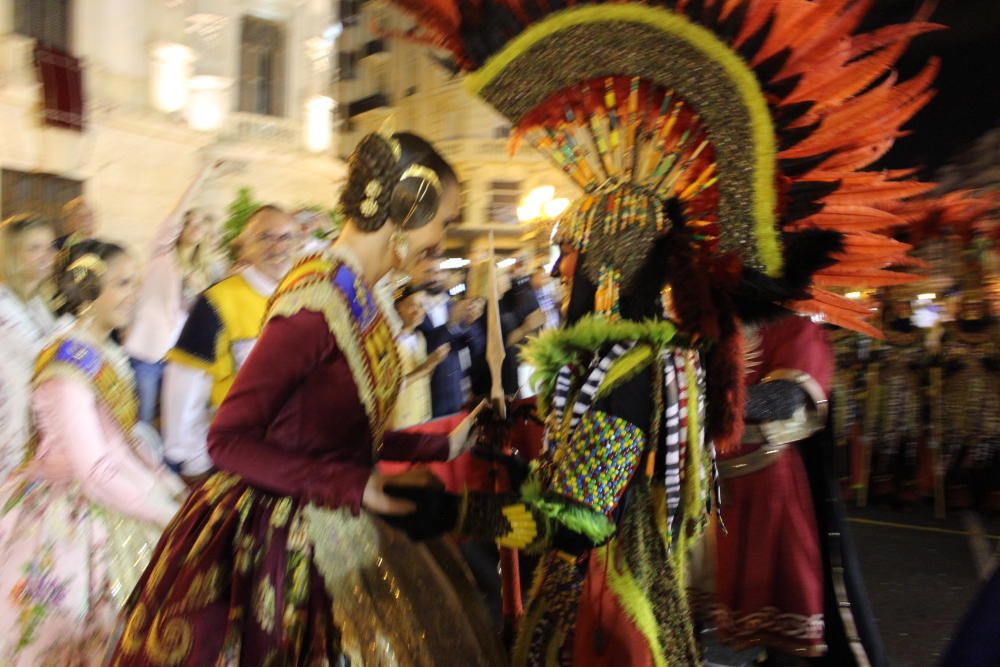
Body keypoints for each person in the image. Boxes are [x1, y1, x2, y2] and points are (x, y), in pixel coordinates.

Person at [384, 0, 943, 663]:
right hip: (603, 600)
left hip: (609, 610)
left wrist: (455, 515)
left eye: (582, 253)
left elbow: (576, 521)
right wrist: (506, 444)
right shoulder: (619, 359)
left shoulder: (629, 368)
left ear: (613, 272)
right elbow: (577, 464)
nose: (567, 267)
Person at [108, 130, 503, 666]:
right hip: (278, 549)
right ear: (408, 208)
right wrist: (360, 487)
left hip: (334, 524)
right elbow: (228, 441)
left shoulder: (360, 294)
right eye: (445, 221)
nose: (443, 240)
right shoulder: (317, 300)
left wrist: (439, 443)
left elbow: (327, 432)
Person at [0, 239, 184, 665]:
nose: (134, 293)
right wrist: (167, 516)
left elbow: (123, 444)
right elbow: (95, 469)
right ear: (86, 289)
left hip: (119, 491)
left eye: (134, 282)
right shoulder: (69, 364)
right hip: (70, 515)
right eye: (122, 283)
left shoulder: (103, 350)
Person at [691, 315, 888, 666]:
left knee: (783, 615)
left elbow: (787, 398)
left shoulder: (798, 329)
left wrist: (699, 400)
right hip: (704, 487)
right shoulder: (704, 326)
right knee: (683, 608)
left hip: (770, 489)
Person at [161, 204, 295, 481]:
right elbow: (185, 383)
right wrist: (193, 462)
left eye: (286, 238)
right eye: (265, 237)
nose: (278, 247)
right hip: (238, 458)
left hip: (296, 455)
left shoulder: (309, 297)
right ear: (245, 246)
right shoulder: (216, 302)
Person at [124, 162, 225, 425]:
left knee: (174, 419)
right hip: (149, 351)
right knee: (143, 418)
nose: (193, 226)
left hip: (180, 355)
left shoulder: (204, 271)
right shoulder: (163, 255)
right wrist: (201, 177)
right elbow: (173, 217)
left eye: (199, 223)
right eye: (188, 222)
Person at [0, 214, 59, 479]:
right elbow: (45, 355)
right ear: (11, 255)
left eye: (50, 246)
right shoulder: (3, 303)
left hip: (32, 418)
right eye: (34, 248)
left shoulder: (37, 300)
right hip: (10, 422)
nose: (48, 255)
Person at [391, 284, 449, 428]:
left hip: (422, 414)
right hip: (401, 419)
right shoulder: (390, 342)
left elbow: (424, 376)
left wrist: (434, 362)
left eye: (422, 305)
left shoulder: (420, 338)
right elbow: (394, 387)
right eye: (411, 305)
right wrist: (428, 365)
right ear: (398, 307)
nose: (418, 311)